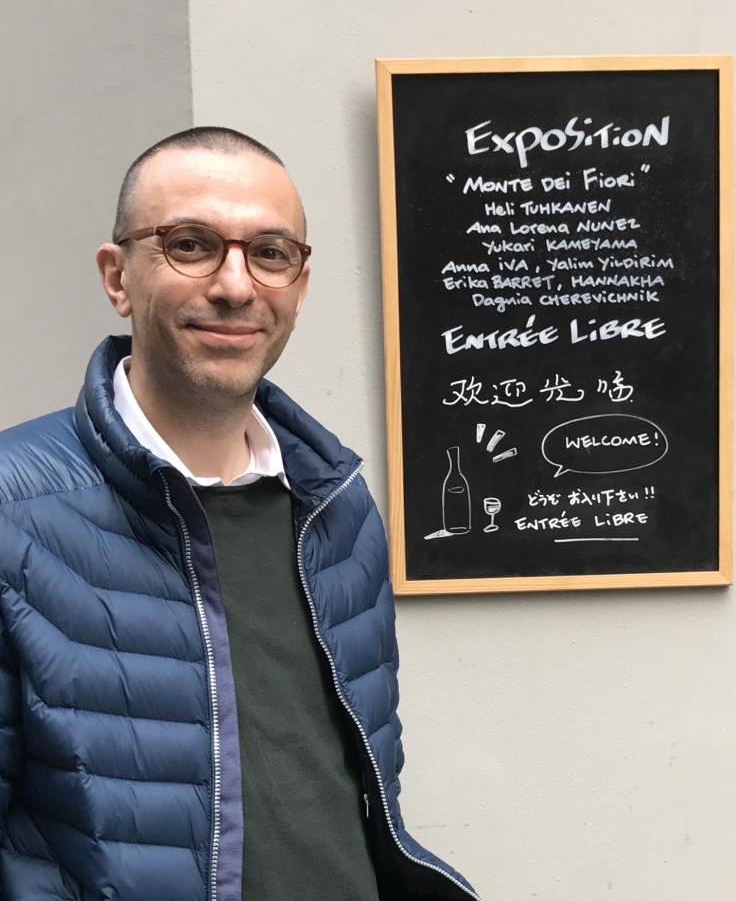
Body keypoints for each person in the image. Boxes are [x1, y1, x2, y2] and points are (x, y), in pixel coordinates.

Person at [0, 128, 478, 900]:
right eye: (190, 245)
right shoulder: (13, 512)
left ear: (300, 283)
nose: (235, 285)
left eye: (269, 252)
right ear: (118, 277)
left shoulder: (338, 511)